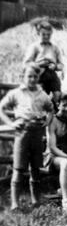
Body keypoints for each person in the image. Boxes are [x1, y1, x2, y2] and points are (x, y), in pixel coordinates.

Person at [0, 66, 53, 211]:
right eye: (29, 76)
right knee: (18, 168)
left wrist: (47, 121)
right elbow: (1, 108)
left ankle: (36, 200)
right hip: (22, 133)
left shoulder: (42, 94)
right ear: (23, 77)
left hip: (36, 133)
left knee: (35, 168)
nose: (32, 79)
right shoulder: (16, 93)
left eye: (35, 77)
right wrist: (11, 123)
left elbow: (50, 109)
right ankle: (14, 203)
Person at [23, 20, 64, 106]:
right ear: (38, 34)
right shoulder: (34, 47)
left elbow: (61, 65)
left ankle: (54, 109)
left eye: (48, 35)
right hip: (39, 75)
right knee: (40, 98)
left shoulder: (55, 48)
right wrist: (39, 64)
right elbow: (26, 64)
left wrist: (55, 66)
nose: (46, 37)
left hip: (52, 74)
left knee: (58, 95)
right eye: (43, 34)